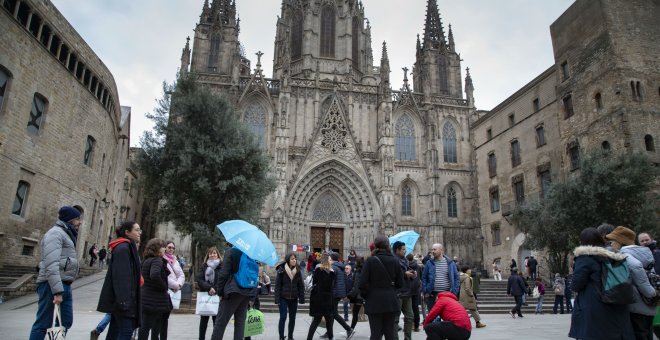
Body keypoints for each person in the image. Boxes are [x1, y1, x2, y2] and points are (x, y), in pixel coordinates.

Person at [568, 227, 634, 339]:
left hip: (595, 306)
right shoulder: (613, 256)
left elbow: (576, 285)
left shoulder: (585, 258)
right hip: (616, 302)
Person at [29, 206, 82, 340]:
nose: (79, 222)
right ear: (69, 219)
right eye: (77, 219)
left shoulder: (66, 234)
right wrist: (57, 291)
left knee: (65, 322)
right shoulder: (55, 233)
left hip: (65, 284)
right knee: (43, 324)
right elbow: (51, 264)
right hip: (50, 285)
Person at [606, 226, 657, 339]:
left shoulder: (626, 256)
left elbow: (639, 275)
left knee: (639, 335)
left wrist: (651, 293)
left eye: (613, 241)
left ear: (620, 241)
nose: (611, 244)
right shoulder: (641, 254)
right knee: (647, 334)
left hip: (637, 307)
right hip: (647, 306)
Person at [95, 221, 143, 340]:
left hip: (123, 302)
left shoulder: (127, 247)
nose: (139, 232)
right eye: (136, 230)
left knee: (114, 332)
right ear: (127, 232)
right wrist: (124, 301)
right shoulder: (123, 248)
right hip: (124, 302)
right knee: (126, 332)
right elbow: (121, 277)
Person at [359, 235, 404, 340]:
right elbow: (400, 284)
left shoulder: (370, 260)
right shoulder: (395, 260)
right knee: (390, 333)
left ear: (375, 245)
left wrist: (367, 295)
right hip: (390, 300)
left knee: (375, 334)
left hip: (374, 300)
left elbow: (362, 283)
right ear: (388, 245)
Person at [210, 245, 257, 340]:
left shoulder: (232, 251)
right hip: (246, 292)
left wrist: (220, 292)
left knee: (220, 323)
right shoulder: (250, 253)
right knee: (240, 324)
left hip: (233, 291)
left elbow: (223, 274)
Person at [139, 238, 172, 340]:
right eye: (163, 247)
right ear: (158, 248)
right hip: (155, 300)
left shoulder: (146, 260)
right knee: (154, 328)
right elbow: (154, 275)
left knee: (144, 327)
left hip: (145, 297)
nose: (165, 249)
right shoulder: (157, 260)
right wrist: (163, 287)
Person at [319, 252, 354, 339]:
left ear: (331, 258)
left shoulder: (334, 267)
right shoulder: (340, 266)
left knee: (333, 314)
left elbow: (330, 282)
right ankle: (328, 332)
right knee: (331, 313)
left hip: (333, 293)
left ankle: (349, 329)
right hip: (338, 293)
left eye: (329, 258)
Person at [274, 252, 305, 340]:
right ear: (288, 260)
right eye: (292, 259)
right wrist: (277, 299)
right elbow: (277, 285)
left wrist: (301, 298)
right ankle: (281, 336)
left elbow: (301, 285)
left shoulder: (298, 270)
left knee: (292, 318)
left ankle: (290, 336)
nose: (294, 260)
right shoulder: (281, 269)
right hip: (283, 297)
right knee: (283, 317)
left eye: (295, 258)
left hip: (294, 297)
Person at [306, 252, 336, 340]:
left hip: (317, 298)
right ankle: (330, 337)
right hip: (326, 299)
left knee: (316, 320)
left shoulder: (317, 270)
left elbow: (314, 282)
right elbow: (329, 287)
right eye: (330, 260)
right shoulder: (331, 273)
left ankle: (309, 338)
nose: (332, 262)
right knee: (329, 320)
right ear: (327, 261)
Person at [422, 243, 460, 309]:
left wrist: (454, 291)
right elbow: (424, 278)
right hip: (432, 294)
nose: (433, 251)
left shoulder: (450, 263)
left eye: (435, 249)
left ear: (441, 250)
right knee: (433, 317)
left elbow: (456, 278)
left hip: (447, 294)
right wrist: (425, 291)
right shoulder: (429, 263)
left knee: (447, 316)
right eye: (432, 250)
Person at [196, 247, 222, 340]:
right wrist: (208, 288)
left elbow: (223, 280)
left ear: (218, 255)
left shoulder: (221, 266)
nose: (212, 255)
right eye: (211, 253)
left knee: (217, 322)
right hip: (205, 295)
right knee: (203, 321)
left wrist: (214, 289)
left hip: (217, 296)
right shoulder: (204, 266)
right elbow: (199, 279)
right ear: (208, 255)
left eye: (214, 253)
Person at [161, 241, 184, 339]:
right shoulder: (162, 259)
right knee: (160, 318)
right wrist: (175, 285)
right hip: (166, 290)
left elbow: (181, 274)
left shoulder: (175, 260)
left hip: (174, 290)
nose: (171, 249)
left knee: (166, 317)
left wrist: (179, 284)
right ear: (165, 248)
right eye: (169, 247)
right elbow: (164, 276)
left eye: (173, 248)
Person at [392, 241, 415, 340]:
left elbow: (406, 272)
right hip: (398, 293)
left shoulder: (405, 260)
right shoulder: (393, 260)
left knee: (410, 317)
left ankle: (408, 338)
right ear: (397, 250)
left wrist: (412, 274)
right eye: (403, 249)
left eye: (405, 249)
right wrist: (405, 274)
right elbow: (392, 276)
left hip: (407, 291)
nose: (405, 251)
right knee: (395, 319)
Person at [347, 257, 365, 331]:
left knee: (355, 313)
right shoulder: (364, 271)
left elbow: (356, 285)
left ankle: (351, 329)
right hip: (363, 295)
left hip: (359, 296)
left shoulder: (358, 272)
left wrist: (350, 295)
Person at [406, 253, 423, 332]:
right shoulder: (418, 266)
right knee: (415, 308)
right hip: (416, 289)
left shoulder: (405, 266)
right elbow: (421, 278)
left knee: (408, 309)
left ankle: (409, 326)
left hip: (408, 289)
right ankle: (416, 326)